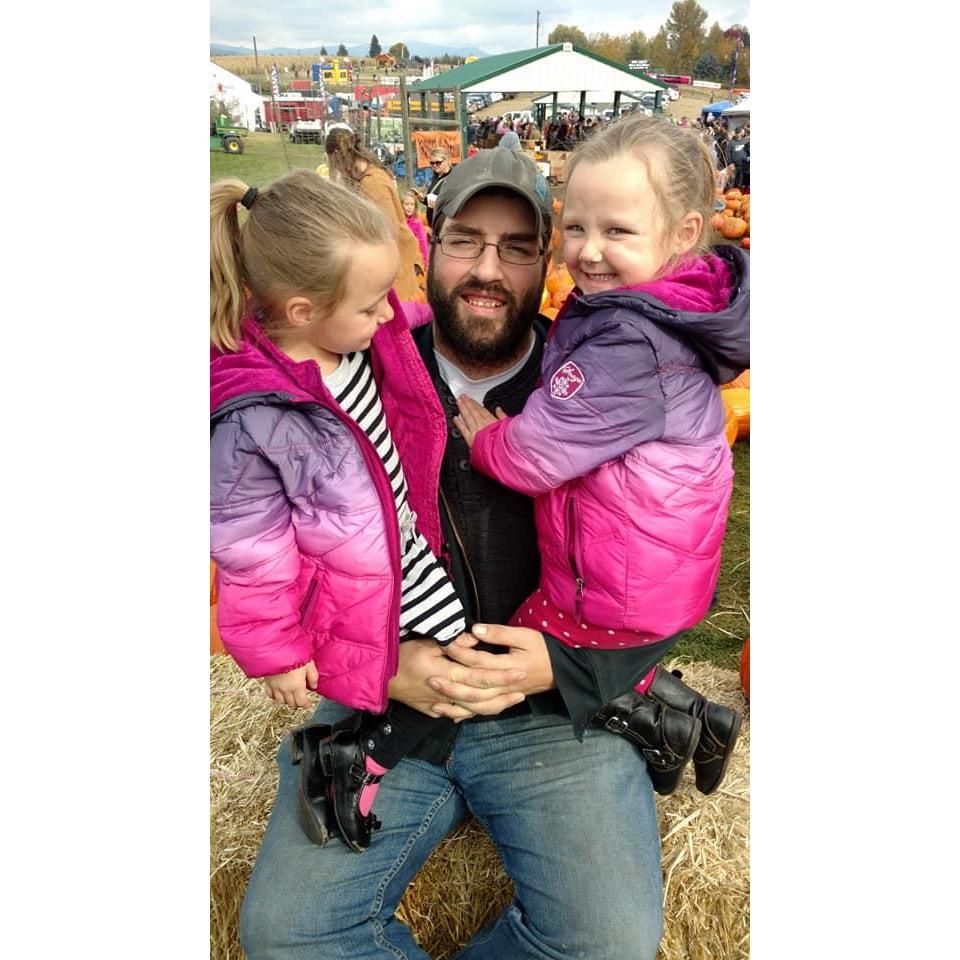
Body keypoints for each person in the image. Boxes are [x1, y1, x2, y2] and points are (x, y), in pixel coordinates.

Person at [239, 148, 676, 960]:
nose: (486, 269)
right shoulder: (336, 370)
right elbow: (268, 553)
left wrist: (558, 668)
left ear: (545, 259)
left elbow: (667, 568)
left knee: (609, 942)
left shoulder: (606, 386)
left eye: (515, 248)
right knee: (288, 935)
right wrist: (374, 666)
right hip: (384, 705)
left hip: (554, 715)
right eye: (466, 239)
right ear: (426, 245)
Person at [453, 115, 749, 797]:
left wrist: (488, 440)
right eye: (578, 227)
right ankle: (691, 718)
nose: (588, 251)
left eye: (617, 232)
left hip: (618, 587)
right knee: (594, 660)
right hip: (653, 573)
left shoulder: (627, 348)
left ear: (681, 234)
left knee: (504, 662)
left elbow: (536, 456)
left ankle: (663, 726)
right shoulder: (656, 313)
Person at [211, 170, 477, 852]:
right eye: (370, 306)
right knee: (452, 671)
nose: (388, 315)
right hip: (347, 579)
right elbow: (250, 550)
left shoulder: (351, 335)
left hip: (395, 549)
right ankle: (352, 759)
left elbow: (406, 319)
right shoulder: (255, 413)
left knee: (446, 662)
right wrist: (275, 651)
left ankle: (346, 750)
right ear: (301, 310)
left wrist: (459, 310)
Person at [324, 127, 424, 300]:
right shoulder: (368, 176)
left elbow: (387, 234)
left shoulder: (372, 184)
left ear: (336, 156)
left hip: (394, 271)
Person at [413, 146, 454, 233]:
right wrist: (423, 199)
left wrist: (439, 204)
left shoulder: (453, 178)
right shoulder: (435, 175)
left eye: (438, 162)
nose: (434, 165)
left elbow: (453, 204)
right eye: (432, 163)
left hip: (444, 226)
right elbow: (432, 201)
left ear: (446, 160)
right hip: (432, 224)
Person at [402, 190, 430, 267]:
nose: (409, 207)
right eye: (407, 204)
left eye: (412, 204)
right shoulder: (399, 220)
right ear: (401, 205)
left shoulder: (417, 221)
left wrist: (425, 259)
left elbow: (422, 240)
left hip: (410, 253)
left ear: (415, 207)